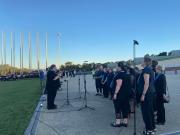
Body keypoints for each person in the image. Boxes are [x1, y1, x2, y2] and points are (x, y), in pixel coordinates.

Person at [137, 56, 156, 135]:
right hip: (150, 93)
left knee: (146, 112)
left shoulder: (146, 70)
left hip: (147, 94)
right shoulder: (149, 69)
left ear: (145, 62)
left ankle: (149, 130)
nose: (141, 62)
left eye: (142, 61)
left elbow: (146, 83)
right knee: (150, 111)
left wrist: (143, 94)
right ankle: (153, 128)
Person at [111, 62, 130, 128]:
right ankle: (125, 122)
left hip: (119, 95)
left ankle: (118, 122)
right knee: (125, 108)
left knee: (118, 108)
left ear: (119, 67)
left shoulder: (119, 75)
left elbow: (119, 85)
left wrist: (115, 93)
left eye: (116, 66)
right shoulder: (127, 74)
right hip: (126, 95)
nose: (116, 68)